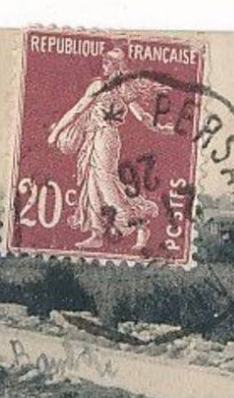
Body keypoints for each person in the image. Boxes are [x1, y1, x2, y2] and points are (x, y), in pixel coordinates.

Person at [46, 49, 173, 250]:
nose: (103, 66)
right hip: (94, 138)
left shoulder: (120, 89)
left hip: (106, 138)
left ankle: (139, 223)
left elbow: (140, 115)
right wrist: (57, 132)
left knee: (106, 183)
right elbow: (78, 109)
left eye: (107, 63)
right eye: (103, 62)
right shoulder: (107, 86)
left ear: (115, 65)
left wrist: (159, 128)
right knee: (91, 185)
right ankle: (97, 233)